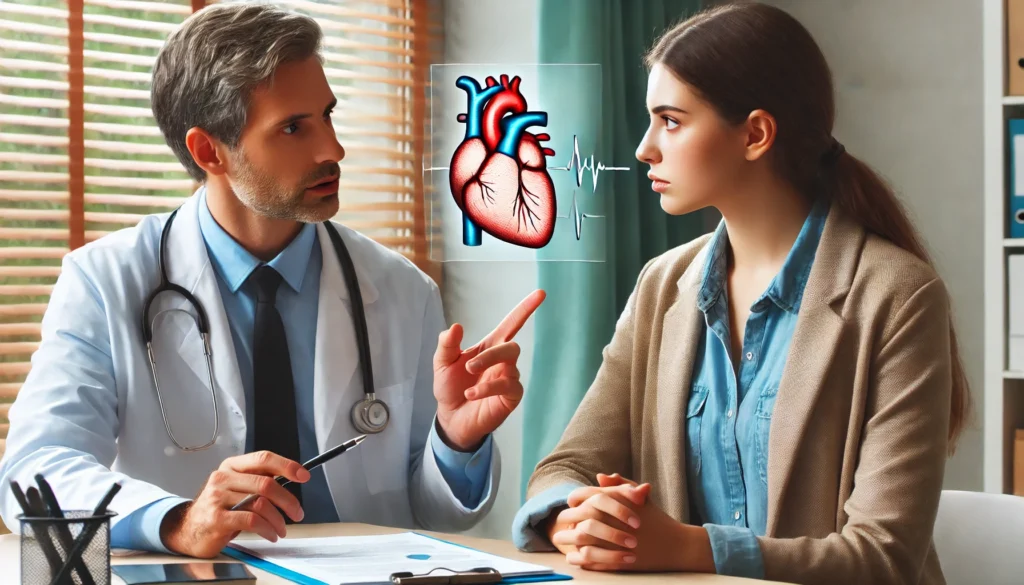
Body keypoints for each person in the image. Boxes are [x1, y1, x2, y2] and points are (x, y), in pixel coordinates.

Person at [0, 2, 543, 559]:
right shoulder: (105, 282)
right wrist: (178, 520)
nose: (333, 150)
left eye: (327, 115)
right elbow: (34, 473)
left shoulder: (402, 290)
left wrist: (456, 440)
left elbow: (430, 515)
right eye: (292, 127)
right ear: (209, 150)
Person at [511, 3, 969, 584]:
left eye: (671, 121)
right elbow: (566, 466)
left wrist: (690, 548)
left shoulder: (897, 296)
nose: (644, 148)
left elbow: (884, 555)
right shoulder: (661, 284)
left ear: (755, 133)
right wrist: (575, 520)